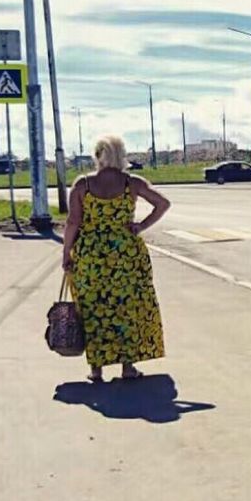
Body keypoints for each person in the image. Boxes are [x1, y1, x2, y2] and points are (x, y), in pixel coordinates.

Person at [61, 135, 170, 384]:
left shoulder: (83, 185)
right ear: (122, 155)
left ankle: (96, 369)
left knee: (93, 308)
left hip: (91, 255)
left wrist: (66, 252)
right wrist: (141, 226)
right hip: (126, 255)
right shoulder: (132, 183)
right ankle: (128, 367)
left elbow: (73, 222)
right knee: (126, 309)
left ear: (98, 156)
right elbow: (162, 203)